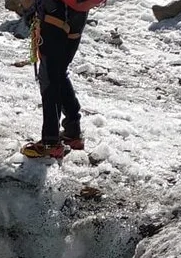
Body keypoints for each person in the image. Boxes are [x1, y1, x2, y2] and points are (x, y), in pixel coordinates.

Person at [20, 0, 104, 159]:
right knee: (58, 71)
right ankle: (73, 131)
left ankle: (50, 142)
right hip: (79, 10)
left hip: (55, 10)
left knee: (49, 75)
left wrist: (30, 10)